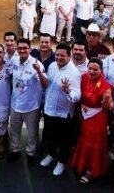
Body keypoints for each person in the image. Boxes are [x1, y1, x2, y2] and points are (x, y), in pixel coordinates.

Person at [70, 58, 113, 184]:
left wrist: (109, 104)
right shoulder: (83, 77)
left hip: (97, 119)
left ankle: (91, 170)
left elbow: (109, 103)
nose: (92, 71)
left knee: (94, 145)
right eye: (90, 68)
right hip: (84, 116)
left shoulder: (105, 86)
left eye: (95, 69)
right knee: (83, 141)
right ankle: (82, 164)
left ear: (101, 71)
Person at [41, 43, 81, 176]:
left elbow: (77, 95)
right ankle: (51, 155)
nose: (58, 57)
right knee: (50, 136)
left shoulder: (74, 73)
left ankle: (62, 162)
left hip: (64, 114)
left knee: (64, 140)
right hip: (49, 109)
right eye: (57, 54)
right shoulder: (52, 66)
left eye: (62, 55)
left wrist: (68, 90)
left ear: (69, 56)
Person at [7, 39, 46, 164]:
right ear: (17, 49)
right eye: (20, 48)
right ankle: (15, 150)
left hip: (31, 105)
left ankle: (30, 153)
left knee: (32, 132)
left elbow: (45, 84)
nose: (22, 50)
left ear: (30, 49)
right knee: (14, 129)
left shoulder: (37, 64)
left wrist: (39, 71)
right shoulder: (14, 60)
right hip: (15, 103)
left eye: (25, 48)